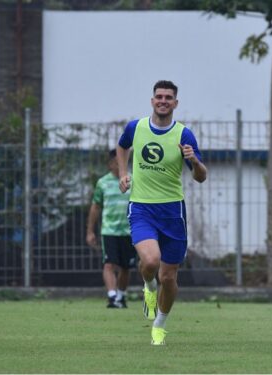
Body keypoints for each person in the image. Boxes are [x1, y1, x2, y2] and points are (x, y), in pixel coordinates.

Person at [116, 80, 207, 346]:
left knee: (169, 277)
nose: (163, 101)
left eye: (168, 97)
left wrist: (194, 160)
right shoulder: (136, 127)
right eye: (159, 96)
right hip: (142, 207)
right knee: (151, 262)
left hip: (172, 211)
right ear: (152, 100)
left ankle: (160, 325)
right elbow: (122, 147)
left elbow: (201, 177)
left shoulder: (184, 135)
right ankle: (147, 286)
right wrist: (123, 173)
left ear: (175, 103)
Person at [86, 149, 137, 308]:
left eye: (123, 161)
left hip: (129, 231)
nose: (120, 165)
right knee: (108, 264)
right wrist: (90, 231)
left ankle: (121, 296)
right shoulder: (103, 183)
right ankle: (112, 296)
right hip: (109, 231)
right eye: (117, 162)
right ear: (110, 164)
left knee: (126, 267)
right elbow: (95, 207)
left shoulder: (134, 181)